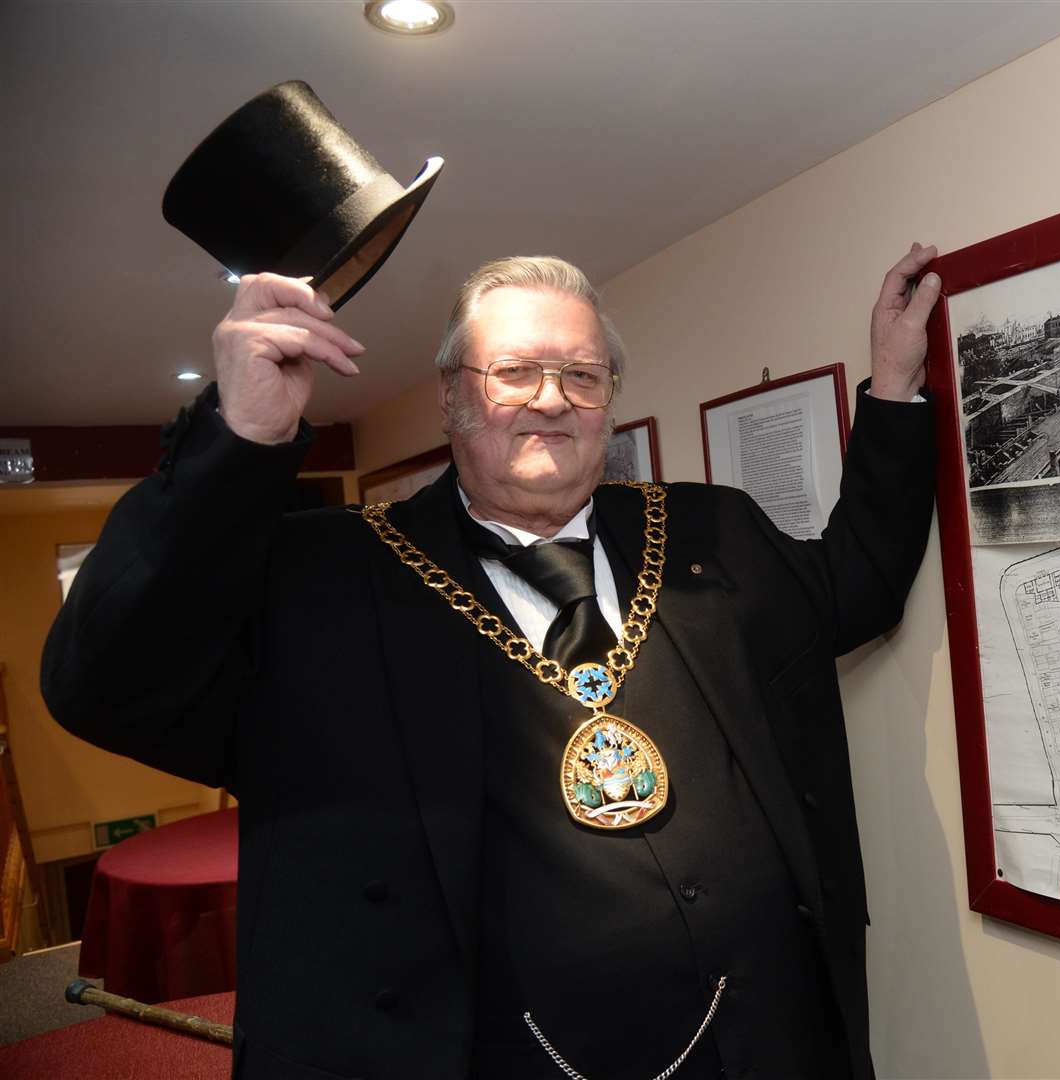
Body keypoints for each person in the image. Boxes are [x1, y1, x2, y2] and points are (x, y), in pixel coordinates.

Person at [42, 245, 941, 1079]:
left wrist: (895, 392)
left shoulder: (714, 530)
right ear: (451, 395)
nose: (551, 399)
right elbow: (105, 685)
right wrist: (237, 440)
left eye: (583, 376)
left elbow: (853, 585)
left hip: (764, 1044)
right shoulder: (322, 580)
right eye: (514, 372)